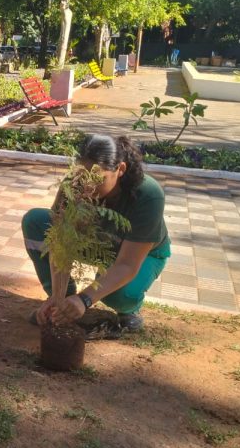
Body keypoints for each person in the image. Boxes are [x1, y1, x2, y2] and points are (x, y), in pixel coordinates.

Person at [21, 134, 171, 336]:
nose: (87, 185)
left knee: (118, 293)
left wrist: (85, 299)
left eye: (97, 178)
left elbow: (127, 265)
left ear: (121, 169)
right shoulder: (73, 185)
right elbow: (60, 243)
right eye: (82, 175)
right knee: (36, 222)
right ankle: (63, 303)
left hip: (138, 254)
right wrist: (58, 298)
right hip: (97, 244)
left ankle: (128, 312)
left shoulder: (148, 195)